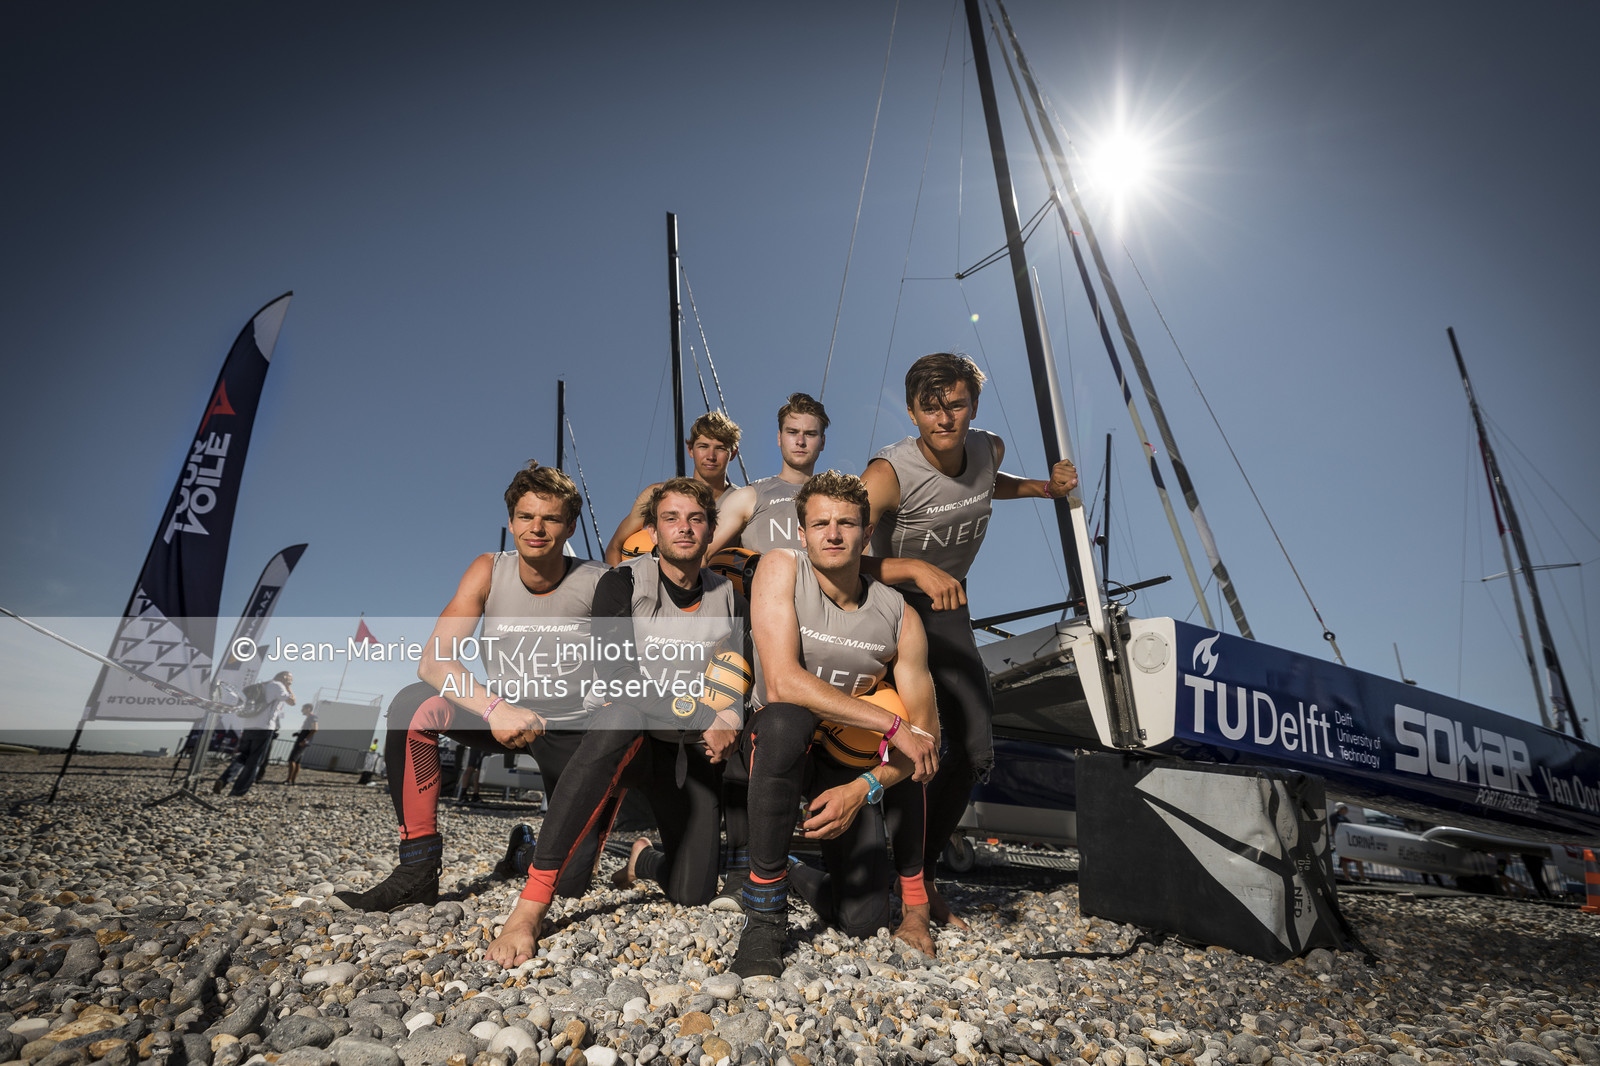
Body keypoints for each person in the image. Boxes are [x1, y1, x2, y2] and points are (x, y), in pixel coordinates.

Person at [487, 477, 748, 968]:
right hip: (622, 742)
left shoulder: (728, 595)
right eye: (671, 518)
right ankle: (529, 900)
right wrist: (704, 716)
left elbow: (736, 667)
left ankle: (642, 858)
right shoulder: (622, 581)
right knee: (570, 881)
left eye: (695, 519)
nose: (684, 528)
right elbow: (619, 677)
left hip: (680, 751)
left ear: (712, 530)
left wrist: (730, 713)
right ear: (653, 530)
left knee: (692, 893)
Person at [336, 462, 611, 912]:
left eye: (551, 518)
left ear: (570, 526)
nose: (536, 528)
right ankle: (417, 871)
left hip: (568, 727)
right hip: (501, 715)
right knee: (412, 705)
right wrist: (495, 708)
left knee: (568, 885)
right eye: (525, 516)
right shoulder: (489, 569)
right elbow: (433, 660)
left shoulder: (599, 580)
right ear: (511, 521)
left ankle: (523, 850)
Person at [861, 353, 1076, 927]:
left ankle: (924, 874)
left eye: (956, 405)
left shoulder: (989, 449)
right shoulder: (887, 475)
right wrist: (914, 568)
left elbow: (985, 485)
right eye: (930, 409)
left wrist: (1043, 488)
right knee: (920, 742)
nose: (944, 419)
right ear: (912, 413)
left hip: (947, 607)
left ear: (973, 406)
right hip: (888, 608)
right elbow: (835, 556)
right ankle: (895, 875)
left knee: (976, 747)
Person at [726, 471, 941, 978]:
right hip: (774, 748)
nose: (833, 534)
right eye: (820, 524)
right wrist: (890, 725)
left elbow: (927, 742)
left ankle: (795, 869)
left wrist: (864, 788)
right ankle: (764, 913)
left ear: (867, 534)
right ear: (802, 533)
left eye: (846, 523)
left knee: (863, 921)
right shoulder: (781, 567)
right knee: (786, 720)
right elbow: (782, 683)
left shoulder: (899, 615)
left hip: (845, 764)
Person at [604, 411, 741, 565]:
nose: (711, 456)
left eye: (720, 448)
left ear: (733, 453)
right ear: (690, 449)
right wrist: (617, 579)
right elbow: (614, 547)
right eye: (703, 446)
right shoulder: (657, 495)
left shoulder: (745, 504)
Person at [706, 393, 827, 557]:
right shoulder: (748, 497)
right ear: (779, 438)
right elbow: (703, 557)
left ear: (822, 442)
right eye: (792, 432)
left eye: (810, 434)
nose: (800, 441)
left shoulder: (835, 498)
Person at [212, 670, 294, 797]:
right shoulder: (278, 686)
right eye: (290, 678)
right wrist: (287, 686)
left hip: (249, 725)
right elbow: (292, 701)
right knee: (254, 761)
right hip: (264, 727)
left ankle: (223, 780)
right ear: (284, 677)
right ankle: (238, 791)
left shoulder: (263, 685)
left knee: (243, 756)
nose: (291, 681)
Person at [1328, 803, 1365, 882]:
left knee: (1357, 859)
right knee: (1344, 860)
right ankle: (1347, 877)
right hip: (1341, 841)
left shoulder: (1344, 818)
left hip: (1347, 841)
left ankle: (1362, 878)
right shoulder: (1334, 817)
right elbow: (1333, 829)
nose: (1346, 810)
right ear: (1341, 809)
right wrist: (1335, 840)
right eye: (1345, 809)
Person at [284, 704, 317, 785]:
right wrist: (298, 734)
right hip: (301, 740)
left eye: (303, 708)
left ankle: (289, 780)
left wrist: (305, 740)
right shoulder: (309, 718)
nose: (302, 710)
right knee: (297, 761)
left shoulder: (312, 717)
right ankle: (293, 780)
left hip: (302, 742)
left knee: (292, 760)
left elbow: (315, 729)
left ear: (308, 709)